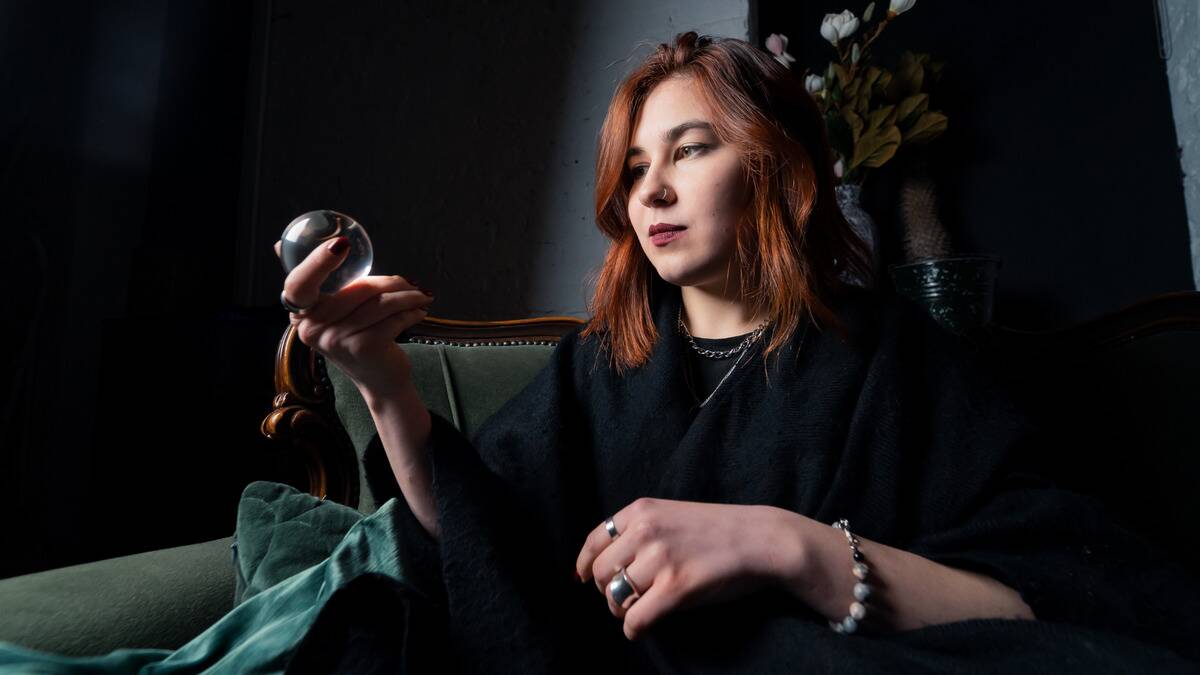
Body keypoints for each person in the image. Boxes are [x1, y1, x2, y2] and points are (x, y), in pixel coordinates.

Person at [2, 30, 1198, 674]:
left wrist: (789, 547)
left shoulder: (897, 362)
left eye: (688, 151)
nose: (652, 192)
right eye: (633, 168)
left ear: (775, 169)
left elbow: (1064, 603)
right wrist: (385, 383)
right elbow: (491, 558)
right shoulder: (602, 370)